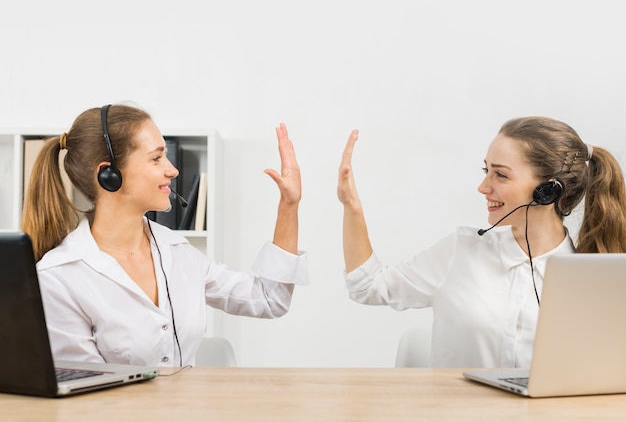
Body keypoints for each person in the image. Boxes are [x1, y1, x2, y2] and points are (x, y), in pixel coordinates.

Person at [21, 103, 308, 368]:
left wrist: (289, 205)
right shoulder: (58, 278)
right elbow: (88, 396)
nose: (172, 170)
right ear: (108, 174)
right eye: (156, 158)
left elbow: (269, 300)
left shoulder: (178, 251)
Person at [337, 116, 626, 368]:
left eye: (500, 174)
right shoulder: (459, 253)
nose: (483, 187)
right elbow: (367, 286)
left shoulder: (592, 278)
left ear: (548, 190)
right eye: (485, 170)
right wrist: (352, 207)